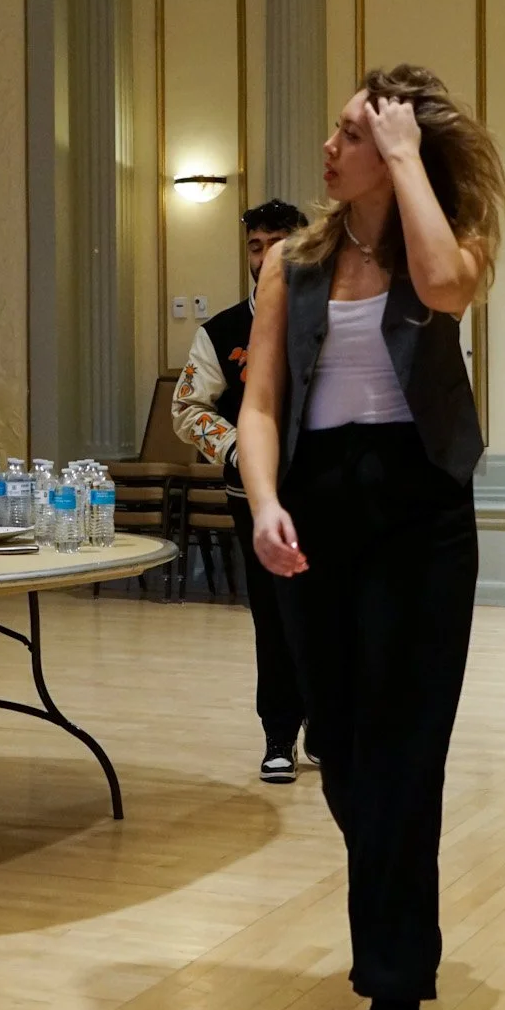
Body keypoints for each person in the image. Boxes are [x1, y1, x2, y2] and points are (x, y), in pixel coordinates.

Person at [237, 64, 505, 1010]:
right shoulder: (292, 265)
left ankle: (393, 995)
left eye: (352, 133)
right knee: (343, 754)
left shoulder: (450, 236)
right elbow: (260, 401)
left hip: (419, 513)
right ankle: (396, 923)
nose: (328, 148)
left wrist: (404, 158)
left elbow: (443, 287)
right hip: (316, 505)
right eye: (339, 131)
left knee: (403, 755)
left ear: (396, 146)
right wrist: (263, 500)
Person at [172, 199, 309, 783]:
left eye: (279, 243)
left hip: (326, 494)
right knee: (274, 620)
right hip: (252, 499)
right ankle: (278, 735)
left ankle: (327, 728)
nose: (266, 256)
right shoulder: (221, 331)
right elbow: (187, 407)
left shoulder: (330, 316)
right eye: (257, 246)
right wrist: (241, 451)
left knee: (330, 616)